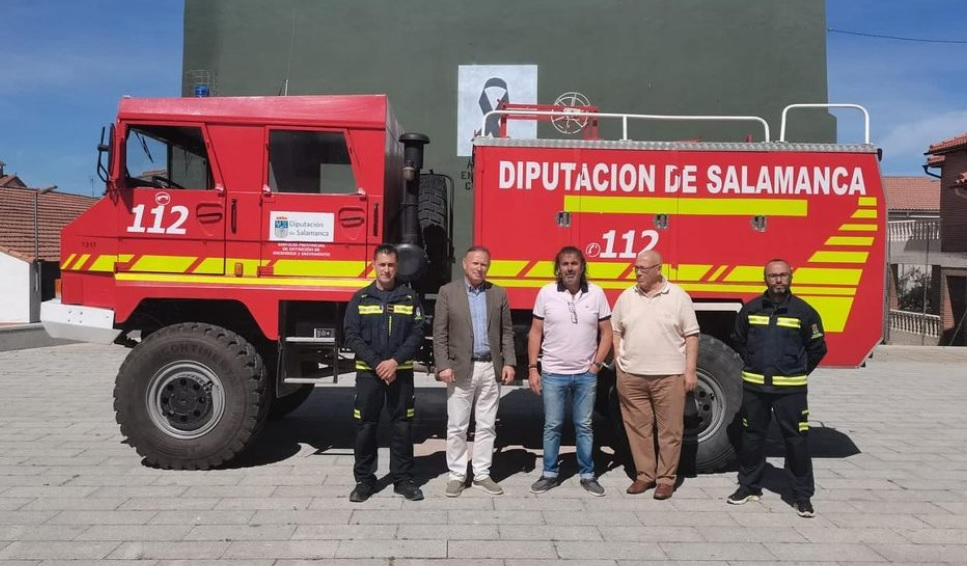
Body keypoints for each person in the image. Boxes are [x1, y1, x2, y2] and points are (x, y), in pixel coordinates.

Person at [727, 258, 826, 518]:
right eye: (773, 276)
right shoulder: (750, 310)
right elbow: (738, 339)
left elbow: (817, 347)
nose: (778, 280)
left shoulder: (805, 312)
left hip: (791, 390)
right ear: (765, 278)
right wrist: (753, 363)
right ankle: (748, 487)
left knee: (796, 441)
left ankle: (801, 496)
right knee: (752, 439)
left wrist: (798, 370)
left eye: (782, 275)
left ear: (791, 277)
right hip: (756, 388)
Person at [611, 249, 699, 500]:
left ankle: (666, 479)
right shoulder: (627, 297)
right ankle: (644, 475)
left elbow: (691, 335)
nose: (638, 272)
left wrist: (690, 371)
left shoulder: (678, 296)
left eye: (643, 268)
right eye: (636, 267)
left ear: (659, 269)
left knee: (670, 430)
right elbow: (615, 330)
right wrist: (619, 360)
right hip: (632, 376)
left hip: (669, 376)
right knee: (638, 428)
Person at [527, 246, 613, 496]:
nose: (570, 268)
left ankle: (588, 474)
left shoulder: (596, 294)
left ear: (582, 266)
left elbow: (607, 332)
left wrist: (597, 364)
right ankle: (550, 473)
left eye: (574, 263)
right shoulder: (546, 293)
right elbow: (535, 332)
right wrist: (534, 368)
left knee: (584, 425)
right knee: (552, 424)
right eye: (565, 264)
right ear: (558, 267)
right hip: (553, 372)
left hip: (585, 374)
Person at [343, 244, 426, 503]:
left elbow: (418, 333)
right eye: (382, 264)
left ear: (397, 267)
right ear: (373, 265)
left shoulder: (409, 298)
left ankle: (403, 480)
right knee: (366, 427)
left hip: (400, 374)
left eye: (391, 265)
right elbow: (352, 336)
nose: (387, 269)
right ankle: (365, 480)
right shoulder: (361, 298)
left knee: (402, 427)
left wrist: (394, 362)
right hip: (369, 374)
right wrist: (379, 364)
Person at [433, 246, 516, 497]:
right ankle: (457, 475)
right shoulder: (448, 292)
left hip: (490, 367)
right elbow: (440, 333)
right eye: (475, 263)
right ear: (465, 264)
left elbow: (506, 332)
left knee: (487, 424)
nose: (479, 268)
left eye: (484, 265)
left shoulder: (498, 293)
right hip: (460, 368)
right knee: (457, 425)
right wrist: (443, 365)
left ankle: (481, 473)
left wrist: (510, 362)